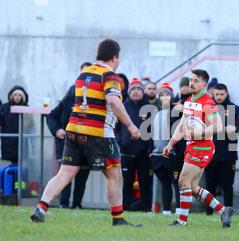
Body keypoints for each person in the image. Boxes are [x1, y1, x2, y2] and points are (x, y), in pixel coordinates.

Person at [30, 39, 141, 227]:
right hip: (98, 132)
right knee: (115, 175)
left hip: (73, 130)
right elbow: (113, 101)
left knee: (65, 173)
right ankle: (118, 219)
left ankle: (41, 207)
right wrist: (131, 125)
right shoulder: (111, 76)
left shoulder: (83, 74)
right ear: (115, 57)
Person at [162, 69, 234, 227]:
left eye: (195, 81)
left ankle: (182, 221)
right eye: (191, 80)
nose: (192, 83)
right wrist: (171, 143)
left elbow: (218, 126)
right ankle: (223, 211)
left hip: (203, 147)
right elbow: (182, 125)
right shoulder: (188, 101)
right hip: (191, 146)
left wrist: (200, 132)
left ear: (204, 84)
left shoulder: (208, 102)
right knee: (193, 187)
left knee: (183, 180)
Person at [46, 62, 92, 209]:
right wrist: (57, 130)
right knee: (65, 176)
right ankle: (63, 204)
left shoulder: (98, 98)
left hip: (87, 145)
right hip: (68, 145)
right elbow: (51, 116)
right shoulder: (70, 96)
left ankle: (77, 204)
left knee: (82, 177)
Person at [116, 77, 153, 212]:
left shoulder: (150, 108)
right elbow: (116, 128)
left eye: (139, 89)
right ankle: (124, 209)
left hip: (144, 153)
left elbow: (153, 130)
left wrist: (149, 147)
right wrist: (120, 142)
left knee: (145, 184)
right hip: (126, 152)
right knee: (126, 184)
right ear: (129, 92)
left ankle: (147, 210)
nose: (136, 92)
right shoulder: (122, 107)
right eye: (133, 89)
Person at [204, 83, 239, 215]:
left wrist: (235, 129)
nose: (219, 97)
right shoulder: (208, 109)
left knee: (227, 185)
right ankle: (209, 212)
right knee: (210, 185)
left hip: (229, 153)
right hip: (210, 153)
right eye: (216, 94)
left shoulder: (235, 109)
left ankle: (228, 212)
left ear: (227, 93)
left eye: (221, 94)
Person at [150, 82, 181, 215]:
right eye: (161, 95)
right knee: (164, 183)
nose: (164, 97)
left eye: (167, 95)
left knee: (177, 183)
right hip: (157, 154)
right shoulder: (155, 112)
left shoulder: (177, 111)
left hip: (173, 153)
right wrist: (150, 152)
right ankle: (166, 210)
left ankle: (180, 211)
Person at [0, 86, 29, 164]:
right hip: (8, 144)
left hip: (22, 146)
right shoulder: (4, 108)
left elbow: (31, 129)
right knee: (12, 168)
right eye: (15, 95)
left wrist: (35, 150)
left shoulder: (27, 109)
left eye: (20, 95)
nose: (17, 97)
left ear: (23, 97)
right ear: (11, 96)